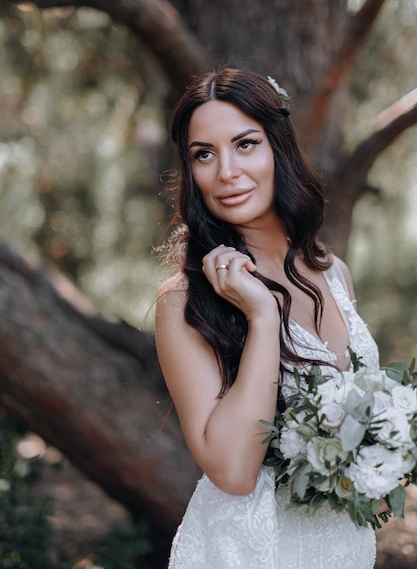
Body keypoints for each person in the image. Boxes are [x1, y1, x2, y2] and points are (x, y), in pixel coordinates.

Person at [155, 68, 379, 568]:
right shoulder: (184, 302)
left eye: (245, 144)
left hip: (344, 546)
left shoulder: (333, 273)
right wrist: (261, 315)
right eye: (204, 154)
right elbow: (232, 471)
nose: (227, 171)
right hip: (251, 552)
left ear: (278, 148)